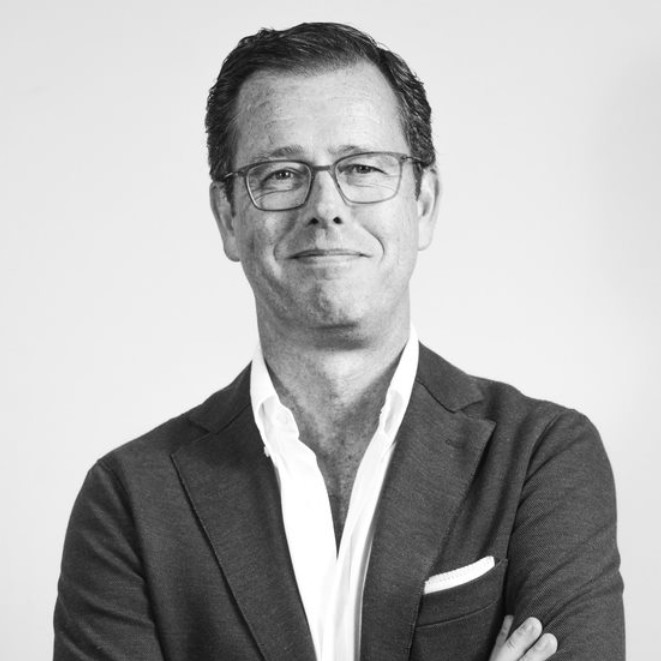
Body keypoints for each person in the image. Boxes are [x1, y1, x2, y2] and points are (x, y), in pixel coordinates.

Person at [53, 22, 624, 661]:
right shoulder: (129, 501)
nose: (325, 206)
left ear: (423, 203)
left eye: (362, 167)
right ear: (228, 217)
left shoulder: (539, 458)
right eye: (281, 174)